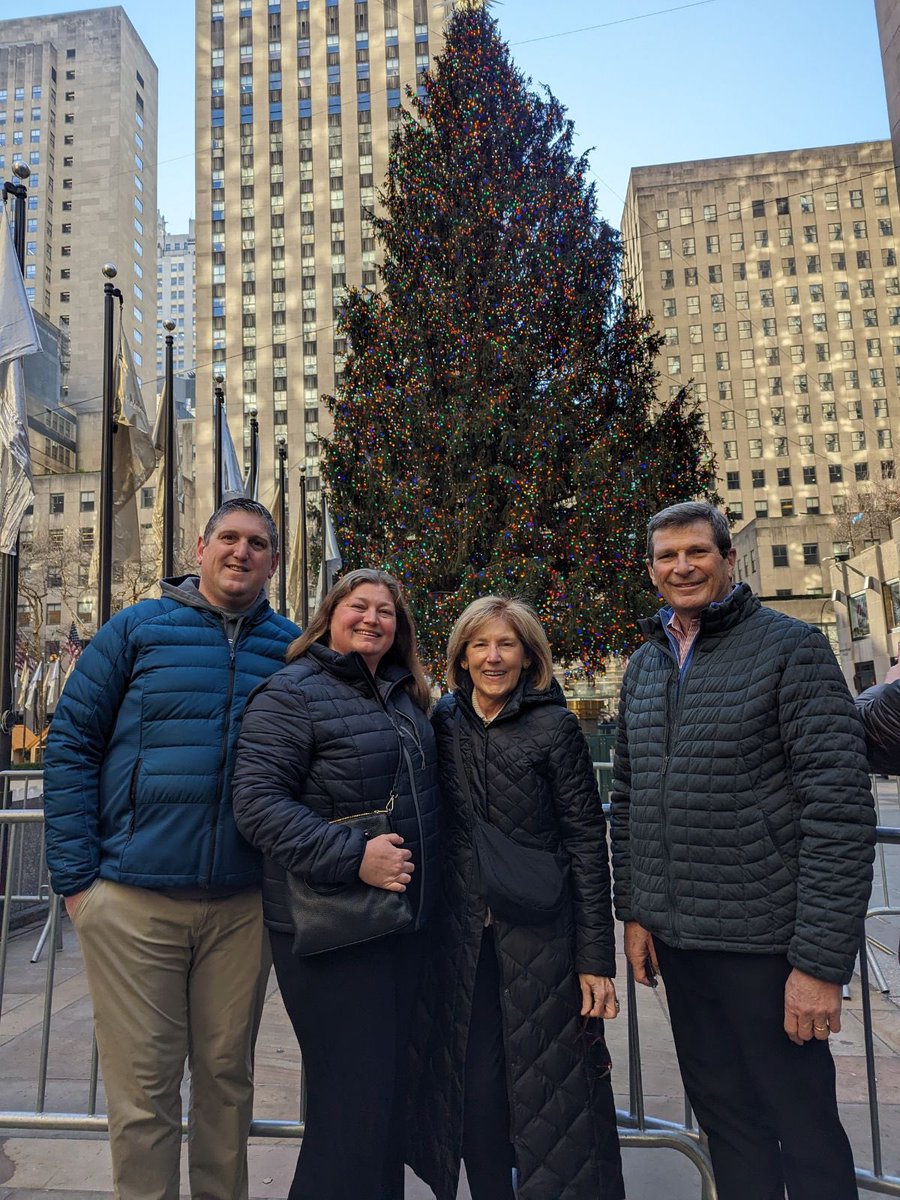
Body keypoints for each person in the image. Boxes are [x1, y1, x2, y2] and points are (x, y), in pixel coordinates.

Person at [610, 500, 876, 1200]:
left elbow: (840, 809)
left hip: (768, 946)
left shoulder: (792, 649)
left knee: (805, 1130)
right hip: (683, 946)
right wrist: (636, 911)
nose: (682, 566)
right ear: (652, 571)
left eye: (697, 551)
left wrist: (819, 965)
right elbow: (632, 801)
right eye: (667, 556)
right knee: (729, 1126)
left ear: (729, 560)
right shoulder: (643, 666)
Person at [43, 498, 298, 1200]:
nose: (241, 552)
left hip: (244, 907)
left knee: (226, 1085)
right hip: (131, 902)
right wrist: (77, 882)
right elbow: (69, 744)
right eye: (229, 538)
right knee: (144, 1093)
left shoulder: (293, 648)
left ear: (274, 560)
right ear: (201, 546)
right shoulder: (136, 629)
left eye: (257, 543)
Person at [231, 568, 440, 1200]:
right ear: (330, 616)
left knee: (383, 1108)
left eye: (386, 611)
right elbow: (257, 804)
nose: (372, 619)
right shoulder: (291, 692)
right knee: (351, 1113)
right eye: (359, 606)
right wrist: (355, 856)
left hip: (401, 926)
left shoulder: (405, 697)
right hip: (333, 930)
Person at [407, 596, 624, 1200]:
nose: (493, 656)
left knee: (551, 1097)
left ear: (528, 655)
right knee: (473, 1096)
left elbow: (586, 841)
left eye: (506, 644)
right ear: (461, 656)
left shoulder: (554, 728)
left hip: (543, 942)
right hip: (461, 945)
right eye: (480, 644)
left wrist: (595, 961)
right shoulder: (441, 721)